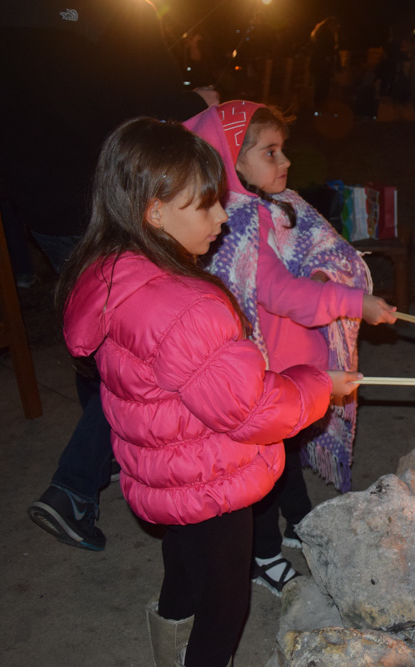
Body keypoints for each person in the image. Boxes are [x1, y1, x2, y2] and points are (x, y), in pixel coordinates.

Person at [58, 117, 356, 666]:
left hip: (165, 473)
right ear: (154, 211)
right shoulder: (184, 307)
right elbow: (251, 410)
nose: (223, 217)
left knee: (184, 571)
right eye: (205, 205)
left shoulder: (111, 273)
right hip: (209, 477)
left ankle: (169, 644)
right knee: (226, 603)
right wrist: (318, 386)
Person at [0, 0, 219, 552]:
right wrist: (195, 101)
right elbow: (132, 87)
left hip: (39, 198)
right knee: (138, 361)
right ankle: (74, 488)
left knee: (101, 340)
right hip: (105, 198)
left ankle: (112, 457)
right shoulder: (106, 12)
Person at [184, 101, 397, 597]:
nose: (285, 163)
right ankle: (263, 555)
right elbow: (279, 293)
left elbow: (317, 254)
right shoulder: (236, 223)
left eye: (284, 150)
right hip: (267, 371)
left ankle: (300, 519)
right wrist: (353, 301)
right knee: (263, 466)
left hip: (294, 360)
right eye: (270, 152)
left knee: (287, 451)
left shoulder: (280, 206)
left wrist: (325, 274)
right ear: (230, 159)